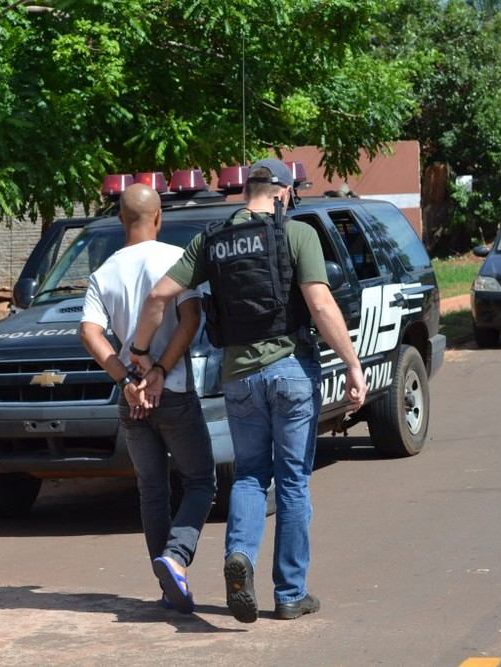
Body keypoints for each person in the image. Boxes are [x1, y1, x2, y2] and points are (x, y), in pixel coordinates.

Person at [130, 158, 368, 623]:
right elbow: (319, 304)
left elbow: (159, 296)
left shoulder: (211, 240)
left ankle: (238, 556)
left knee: (250, 475)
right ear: (282, 193)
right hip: (292, 372)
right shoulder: (298, 233)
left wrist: (141, 353)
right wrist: (353, 364)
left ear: (246, 193)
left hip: (238, 378)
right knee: (294, 480)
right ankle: (290, 593)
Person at [79, 183, 216, 614]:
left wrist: (125, 379)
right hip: (172, 390)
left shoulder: (104, 273)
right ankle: (176, 558)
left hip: (131, 399)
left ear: (121, 220)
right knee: (200, 482)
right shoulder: (176, 260)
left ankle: (166, 584)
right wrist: (158, 371)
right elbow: (190, 319)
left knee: (152, 491)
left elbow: (88, 332)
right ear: (159, 218)